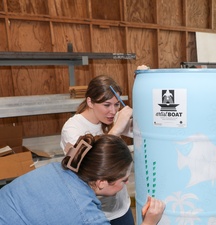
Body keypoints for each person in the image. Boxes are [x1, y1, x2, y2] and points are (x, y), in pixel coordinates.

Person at [0, 134, 165, 225]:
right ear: (101, 182)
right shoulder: (86, 216)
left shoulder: (57, 169)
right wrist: (150, 222)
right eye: (123, 180)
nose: (127, 183)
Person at [60, 75, 134, 224]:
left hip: (121, 208)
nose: (112, 111)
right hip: (94, 213)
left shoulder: (109, 120)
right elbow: (91, 163)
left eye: (116, 105)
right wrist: (116, 130)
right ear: (90, 102)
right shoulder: (72, 128)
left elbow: (144, 131)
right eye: (107, 105)